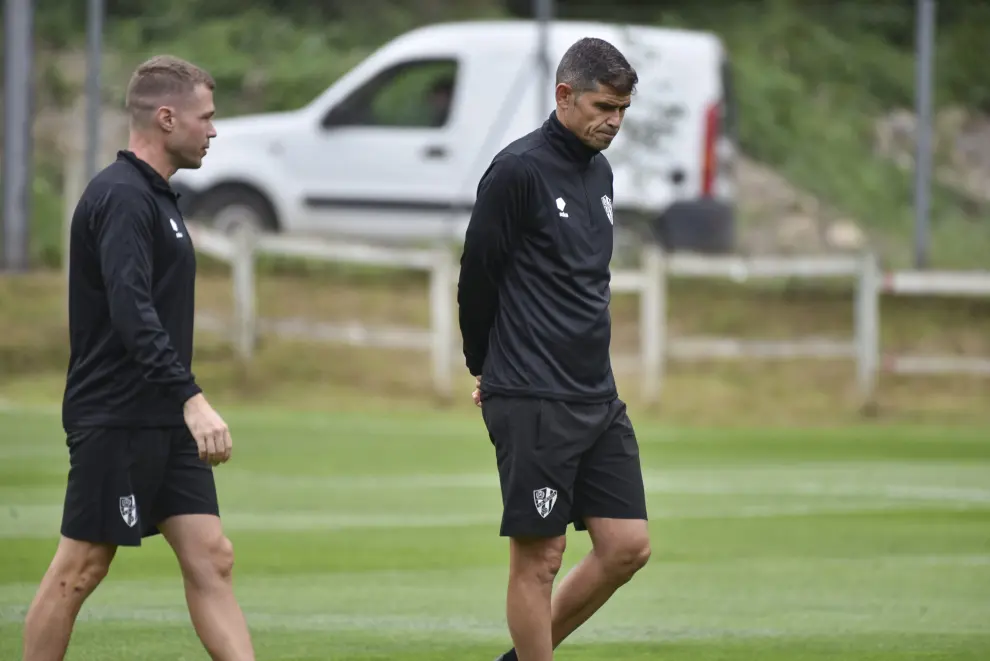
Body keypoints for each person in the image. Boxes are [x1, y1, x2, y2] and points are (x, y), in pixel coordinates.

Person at [21, 55, 256, 661]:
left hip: (163, 419)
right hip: (117, 416)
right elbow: (132, 314)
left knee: (212, 557)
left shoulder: (159, 199)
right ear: (166, 116)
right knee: (80, 570)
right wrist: (193, 400)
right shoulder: (121, 197)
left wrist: (180, 405)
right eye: (205, 117)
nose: (213, 130)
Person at [456, 37, 652, 661]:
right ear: (564, 95)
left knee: (627, 546)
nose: (614, 121)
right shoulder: (517, 170)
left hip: (597, 393)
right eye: (603, 105)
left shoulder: (601, 172)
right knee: (540, 558)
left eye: (623, 108)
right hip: (532, 393)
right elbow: (477, 278)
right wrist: (483, 366)